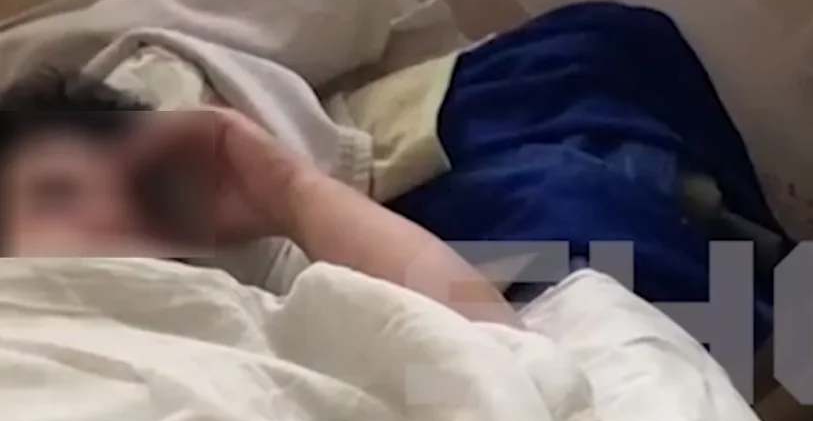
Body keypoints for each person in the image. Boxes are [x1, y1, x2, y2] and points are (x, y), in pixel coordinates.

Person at [0, 71, 519, 327]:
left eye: (144, 198)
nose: (111, 213)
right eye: (57, 195)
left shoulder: (241, 327)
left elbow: (500, 355)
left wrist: (288, 191)